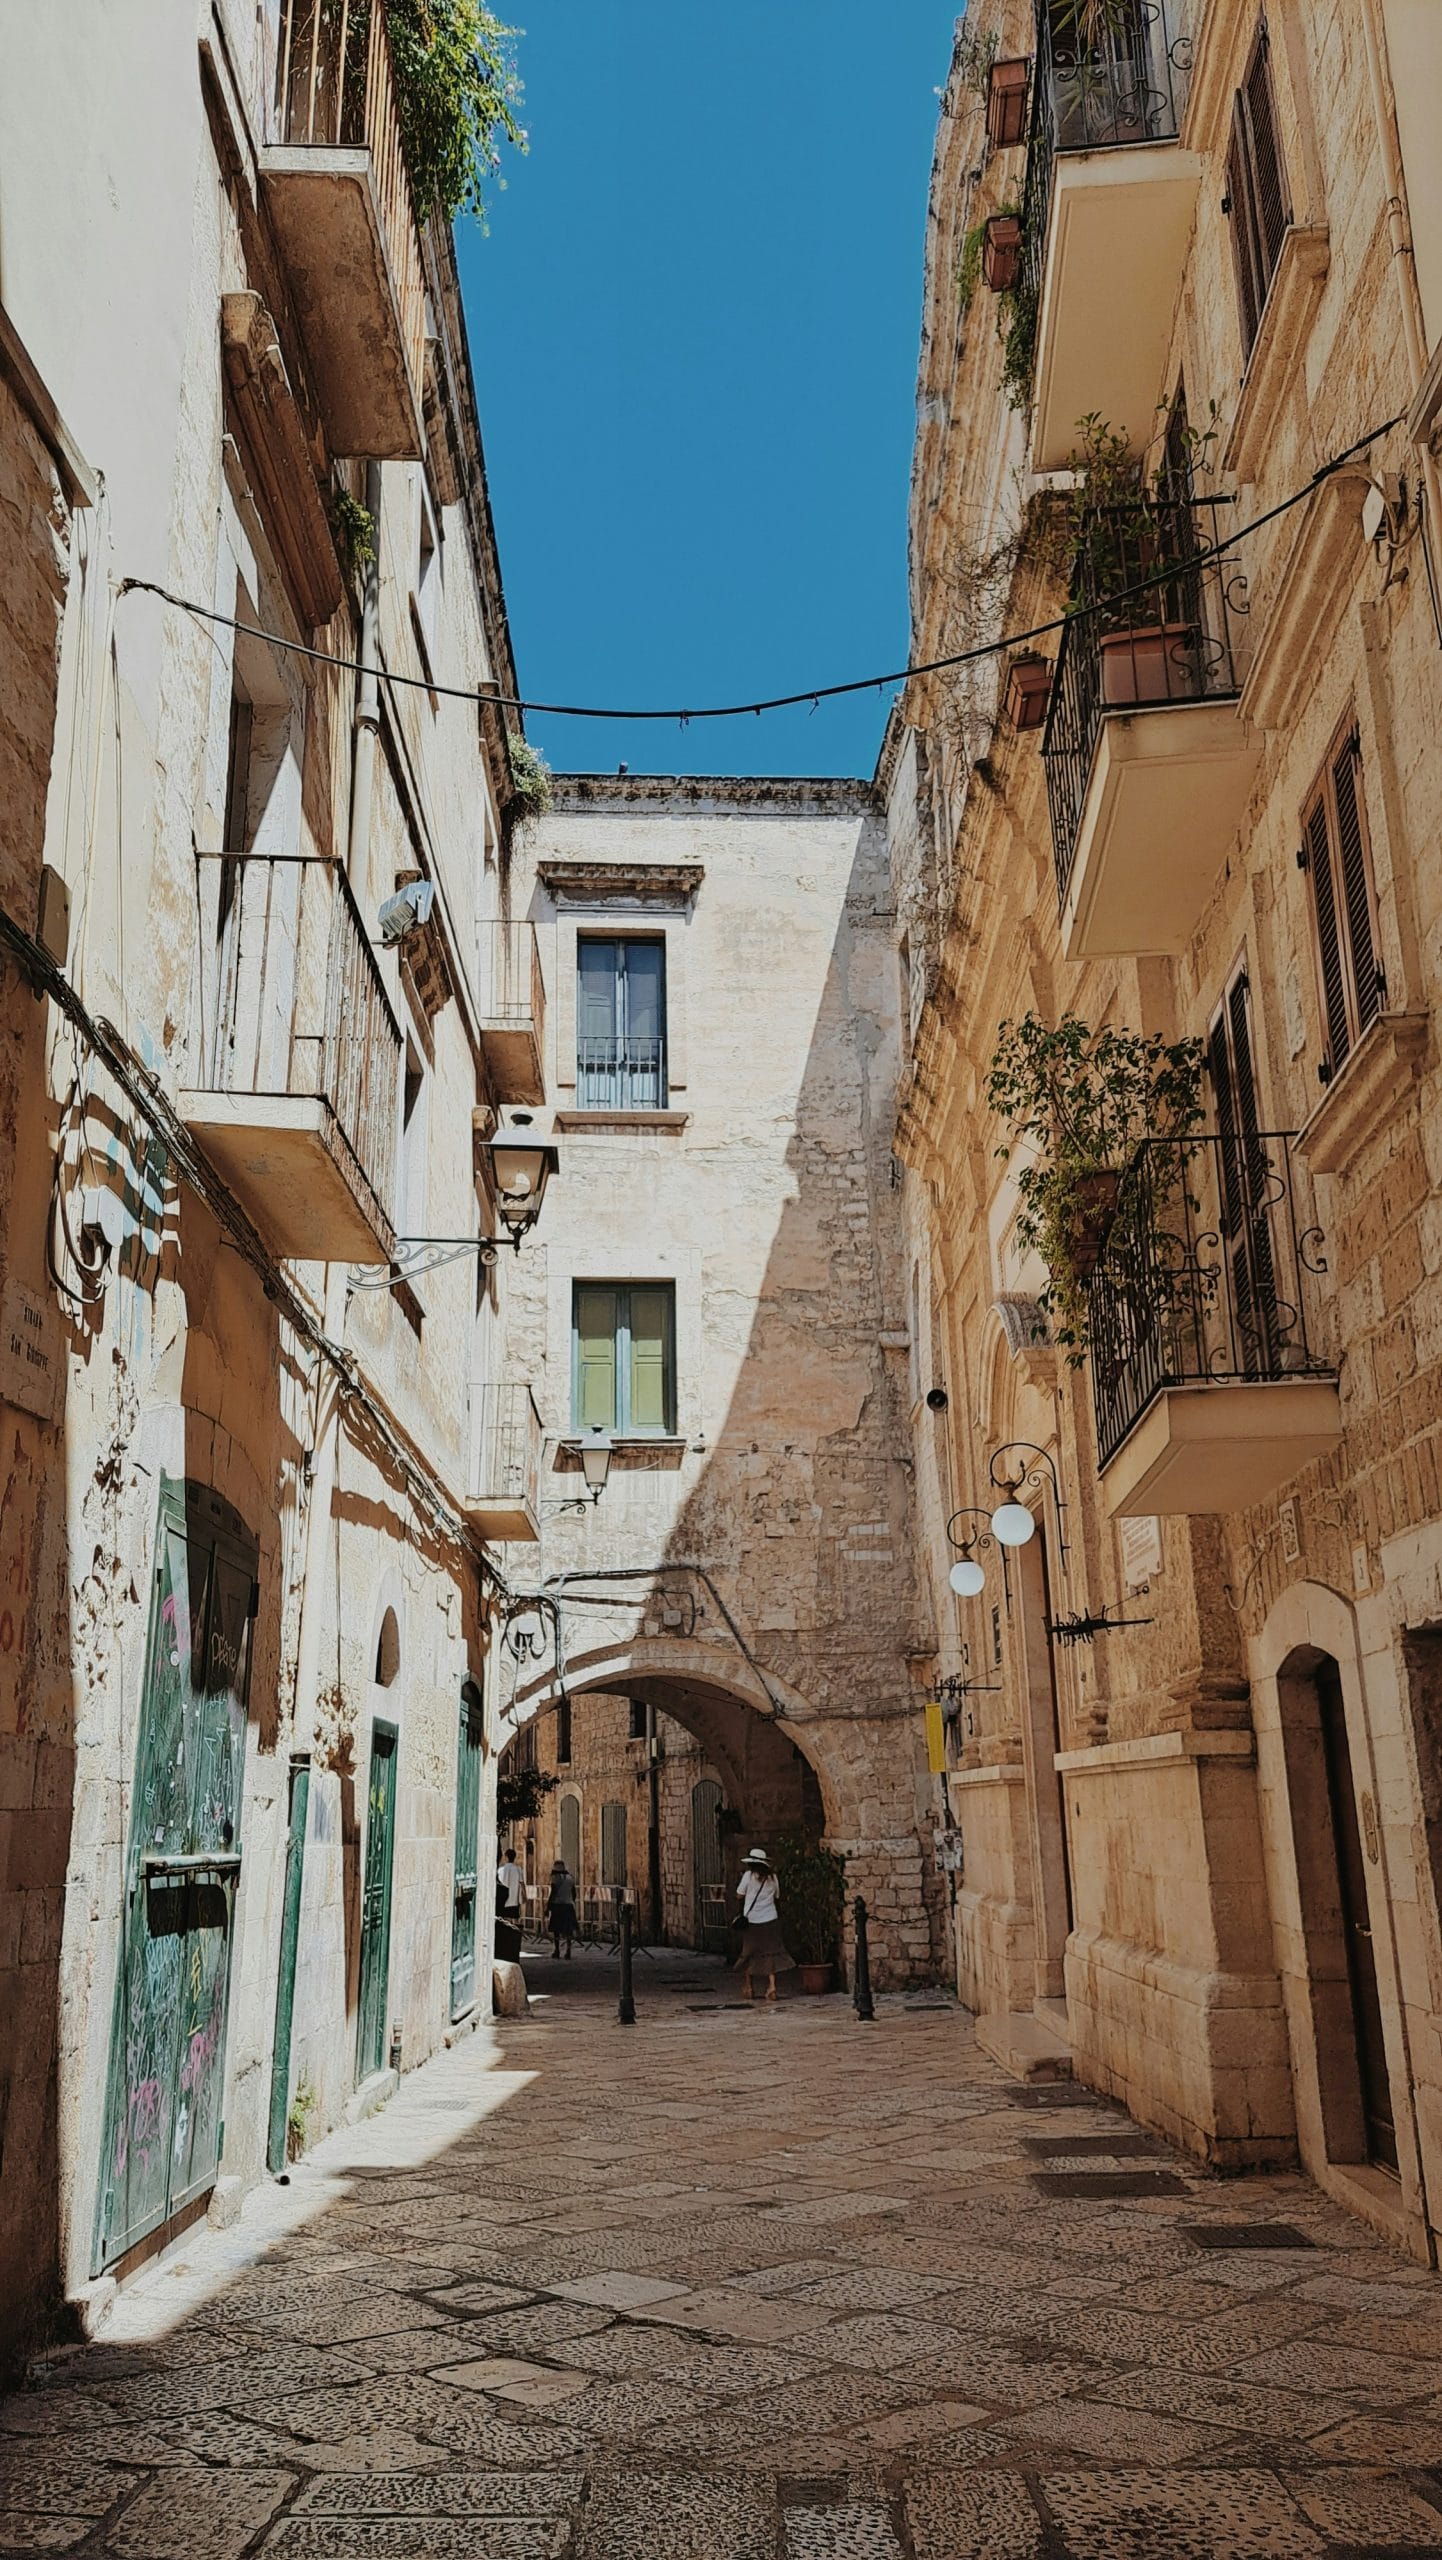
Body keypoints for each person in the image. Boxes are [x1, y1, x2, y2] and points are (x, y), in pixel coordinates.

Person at [734, 1848, 795, 2003]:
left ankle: (749, 1986)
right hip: (770, 1919)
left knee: (748, 1953)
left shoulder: (748, 1876)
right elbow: (777, 1895)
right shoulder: (773, 1878)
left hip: (752, 1921)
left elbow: (739, 1894)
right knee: (771, 1953)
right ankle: (772, 1986)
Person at [546, 1859, 578, 1959]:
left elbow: (553, 1893)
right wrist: (571, 1901)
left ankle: (557, 1950)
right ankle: (568, 1950)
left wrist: (548, 1907)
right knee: (568, 1929)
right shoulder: (570, 1878)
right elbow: (574, 1893)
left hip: (558, 1905)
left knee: (556, 1929)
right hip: (568, 1905)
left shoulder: (554, 1878)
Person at [497, 1845, 523, 1925]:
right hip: (515, 1899)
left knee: (504, 1920)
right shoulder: (518, 1869)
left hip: (504, 1899)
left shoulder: (500, 1870)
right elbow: (522, 1883)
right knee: (514, 1920)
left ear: (506, 1857)